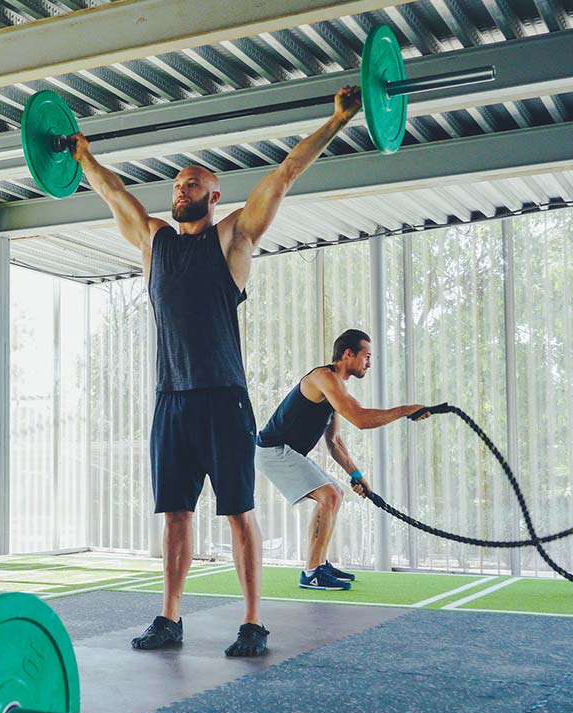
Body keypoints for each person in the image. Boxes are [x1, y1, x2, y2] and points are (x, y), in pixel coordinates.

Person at [69, 86, 364, 658]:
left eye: (192, 184)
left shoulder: (233, 238)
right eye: (177, 185)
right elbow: (112, 192)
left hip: (225, 400)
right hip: (171, 400)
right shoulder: (153, 241)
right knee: (176, 516)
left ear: (213, 193)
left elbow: (285, 174)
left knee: (237, 513)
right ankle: (169, 618)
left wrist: (336, 119)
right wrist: (81, 155)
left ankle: (252, 622)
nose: (181, 190)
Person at [256, 329, 428, 590]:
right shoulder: (324, 377)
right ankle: (312, 572)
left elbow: (334, 442)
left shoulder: (335, 388)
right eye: (366, 357)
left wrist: (357, 476)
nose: (369, 364)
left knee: (336, 493)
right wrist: (406, 410)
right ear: (348, 354)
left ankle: (319, 564)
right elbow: (360, 419)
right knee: (330, 496)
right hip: (273, 449)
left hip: (287, 451)